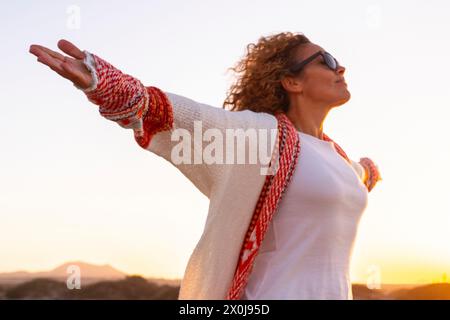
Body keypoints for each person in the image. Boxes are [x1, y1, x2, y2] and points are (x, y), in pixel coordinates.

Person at [29, 32, 381, 300]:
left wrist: (367, 171)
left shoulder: (338, 158)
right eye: (327, 60)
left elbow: (355, 178)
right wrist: (104, 84)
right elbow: (183, 117)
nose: (340, 68)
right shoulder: (260, 137)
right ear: (292, 82)